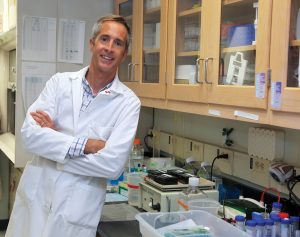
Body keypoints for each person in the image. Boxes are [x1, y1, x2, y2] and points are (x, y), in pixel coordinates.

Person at [6, 15, 141, 237]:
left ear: (124, 53)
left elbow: (112, 165)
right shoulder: (59, 83)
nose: (109, 48)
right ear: (92, 43)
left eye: (118, 43)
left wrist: (54, 146)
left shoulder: (128, 102)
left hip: (76, 212)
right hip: (36, 198)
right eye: (104, 39)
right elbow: (29, 135)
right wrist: (87, 145)